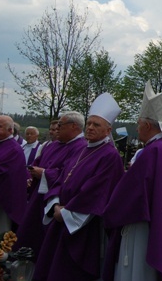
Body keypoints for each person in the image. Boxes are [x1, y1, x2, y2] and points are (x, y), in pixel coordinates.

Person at [103, 82, 162, 281]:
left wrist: (110, 207)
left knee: (136, 268)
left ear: (148, 125)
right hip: (153, 218)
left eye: (138, 124)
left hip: (140, 223)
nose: (137, 128)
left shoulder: (154, 151)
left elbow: (133, 192)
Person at [34, 93, 125, 281]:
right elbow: (60, 177)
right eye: (89, 123)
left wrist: (66, 213)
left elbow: (96, 192)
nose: (90, 128)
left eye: (96, 125)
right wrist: (55, 204)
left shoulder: (109, 156)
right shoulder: (82, 149)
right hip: (61, 215)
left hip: (82, 225)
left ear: (108, 130)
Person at [14, 111, 87, 258]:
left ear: (73, 126)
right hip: (38, 194)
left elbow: (71, 174)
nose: (57, 128)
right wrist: (32, 173)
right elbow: (39, 160)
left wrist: (45, 173)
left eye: (60, 125)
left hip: (55, 200)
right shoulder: (54, 144)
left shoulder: (81, 147)